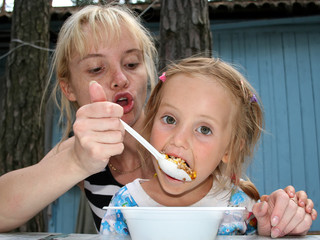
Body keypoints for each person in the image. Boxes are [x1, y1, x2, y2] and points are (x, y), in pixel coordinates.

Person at [0, 4, 316, 233]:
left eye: (132, 63)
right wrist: (76, 162)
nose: (119, 78)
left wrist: (276, 212)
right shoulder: (79, 150)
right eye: (97, 68)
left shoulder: (186, 139)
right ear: (68, 86)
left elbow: (238, 206)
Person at [100, 57, 314, 237]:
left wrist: (274, 227)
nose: (179, 140)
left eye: (204, 130)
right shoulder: (126, 203)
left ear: (230, 149)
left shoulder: (240, 207)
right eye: (170, 119)